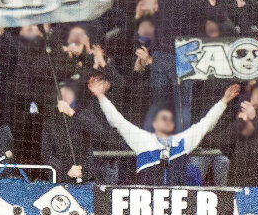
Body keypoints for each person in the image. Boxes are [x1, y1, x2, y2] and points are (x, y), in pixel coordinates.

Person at [90, 76, 239, 184]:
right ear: (154, 124)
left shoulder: (182, 141)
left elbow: (206, 123)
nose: (167, 121)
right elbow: (117, 120)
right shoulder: (142, 139)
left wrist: (224, 101)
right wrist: (101, 96)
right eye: (163, 118)